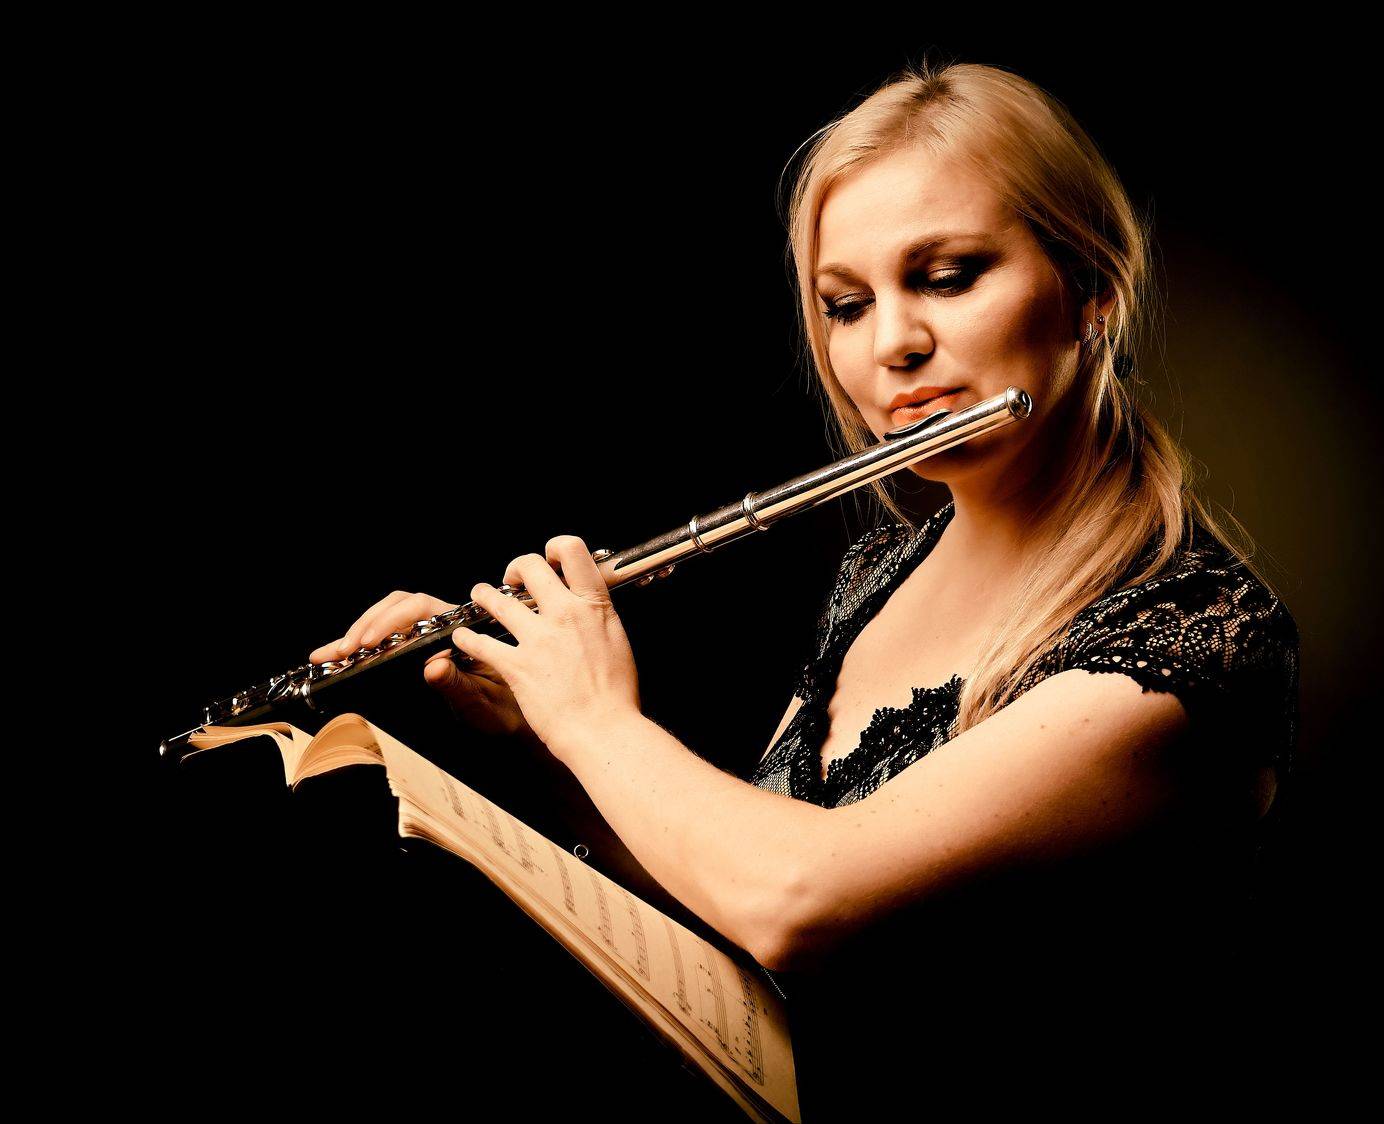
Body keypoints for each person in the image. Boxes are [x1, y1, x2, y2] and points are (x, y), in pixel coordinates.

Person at [311, 60, 1300, 1116]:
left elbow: (796, 899)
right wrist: (536, 741)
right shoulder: (882, 570)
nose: (894, 345)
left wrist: (593, 717)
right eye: (847, 304)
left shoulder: (1194, 637)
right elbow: (728, 910)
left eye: (948, 276)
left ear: (1092, 292)